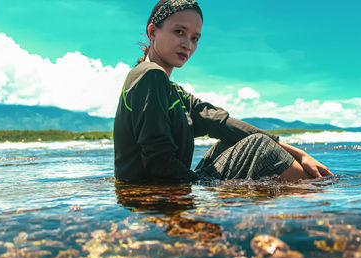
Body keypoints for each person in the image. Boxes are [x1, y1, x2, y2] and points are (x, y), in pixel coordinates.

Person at [113, 0, 333, 184]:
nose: (187, 44)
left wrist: (300, 153)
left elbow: (221, 122)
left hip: (169, 186)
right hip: (153, 196)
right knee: (261, 147)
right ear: (153, 32)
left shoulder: (172, 91)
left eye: (194, 38)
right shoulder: (149, 75)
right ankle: (322, 205)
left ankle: (309, 197)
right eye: (179, 32)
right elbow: (159, 161)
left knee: (234, 141)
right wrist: (196, 194)